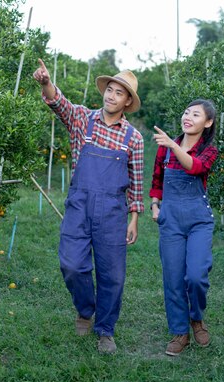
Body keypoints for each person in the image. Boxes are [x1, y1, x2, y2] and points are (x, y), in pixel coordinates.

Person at [33, 59, 144, 354]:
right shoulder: (83, 119)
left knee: (113, 275)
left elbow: (135, 181)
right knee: (71, 264)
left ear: (127, 101)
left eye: (119, 93)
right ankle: (85, 309)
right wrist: (46, 82)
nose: (111, 96)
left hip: (112, 211)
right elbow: (59, 103)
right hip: (80, 204)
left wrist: (134, 218)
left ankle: (105, 329)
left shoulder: (134, 138)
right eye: (109, 89)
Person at [149, 99, 218, 356]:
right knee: (173, 278)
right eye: (187, 112)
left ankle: (196, 317)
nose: (188, 117)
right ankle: (180, 331)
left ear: (207, 122)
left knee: (197, 276)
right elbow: (157, 178)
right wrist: (156, 205)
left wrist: (173, 146)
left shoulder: (209, 150)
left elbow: (194, 167)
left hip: (199, 218)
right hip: (171, 220)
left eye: (196, 114)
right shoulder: (165, 150)